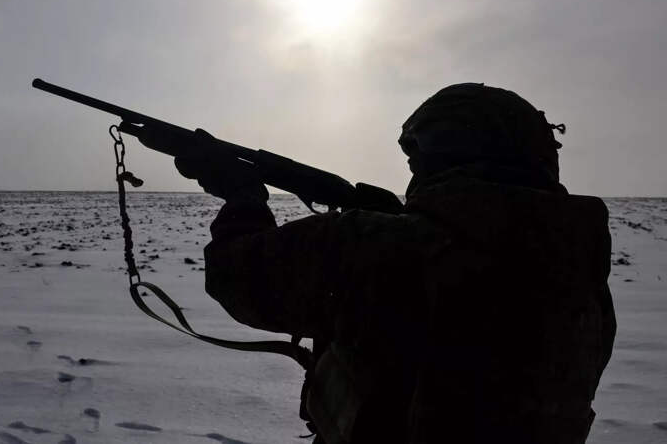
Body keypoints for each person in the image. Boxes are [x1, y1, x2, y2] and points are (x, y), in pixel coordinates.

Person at [175, 83, 615, 444]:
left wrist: (242, 198)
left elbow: (239, 274)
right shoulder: (580, 277)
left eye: (415, 161)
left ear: (443, 153)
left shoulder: (378, 247)